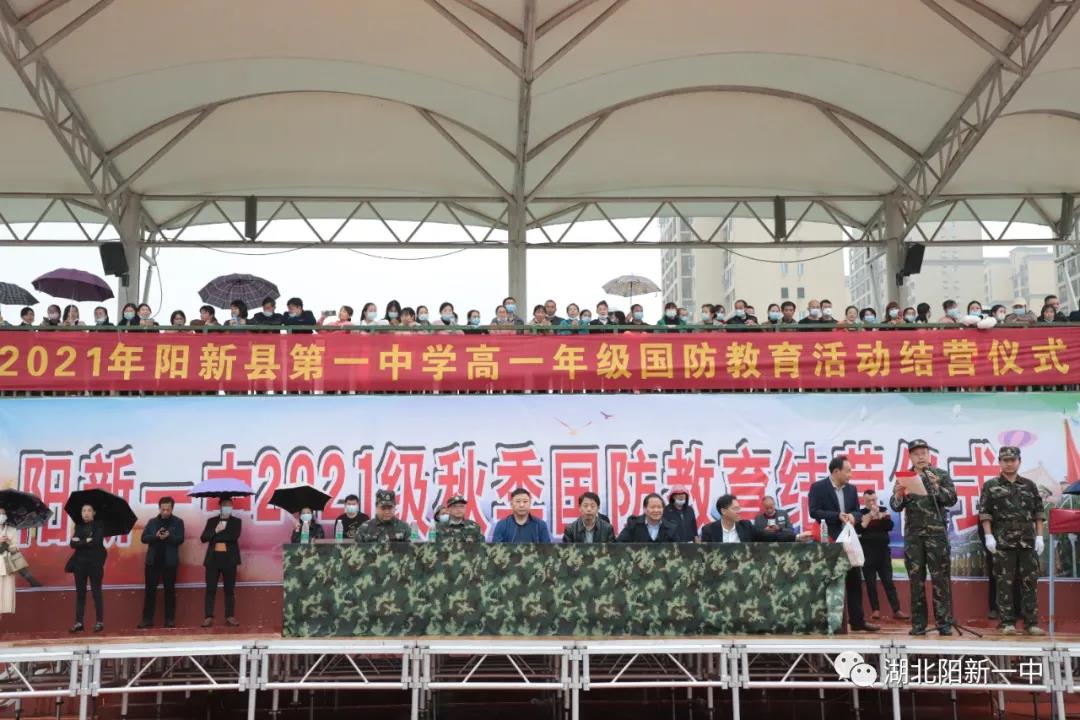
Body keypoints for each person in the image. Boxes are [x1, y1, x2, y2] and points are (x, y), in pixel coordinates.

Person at [889, 439, 958, 636]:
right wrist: (899, 495)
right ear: (910, 457)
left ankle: (944, 623)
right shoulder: (905, 478)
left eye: (923, 453)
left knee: (940, 580)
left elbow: (951, 499)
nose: (920, 457)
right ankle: (919, 624)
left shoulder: (940, 475)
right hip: (914, 537)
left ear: (929, 455)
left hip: (937, 535)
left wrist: (936, 487)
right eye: (916, 454)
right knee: (916, 581)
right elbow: (895, 506)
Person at [978, 446, 1046, 635]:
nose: (1009, 464)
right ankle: (1007, 622)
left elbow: (1038, 513)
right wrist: (989, 536)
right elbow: (985, 513)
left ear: (1019, 462)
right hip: (1003, 542)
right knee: (1004, 583)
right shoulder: (991, 486)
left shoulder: (1029, 485)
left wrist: (1040, 536)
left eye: (1012, 460)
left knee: (1029, 583)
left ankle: (1031, 623)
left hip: (1027, 542)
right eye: (1005, 460)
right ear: (999, 462)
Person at [808, 456, 879, 632]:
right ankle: (829, 622)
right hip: (829, 540)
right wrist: (837, 515)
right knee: (830, 581)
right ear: (836, 471)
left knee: (854, 580)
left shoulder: (851, 489)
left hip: (848, 540)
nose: (850, 474)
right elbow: (814, 511)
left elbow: (856, 510)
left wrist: (853, 516)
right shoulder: (818, 487)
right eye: (848, 471)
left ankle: (857, 621)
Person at [858, 489, 906, 621]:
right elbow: (859, 529)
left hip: (883, 552)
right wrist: (869, 517)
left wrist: (880, 516)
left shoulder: (884, 510)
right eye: (869, 501)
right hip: (867, 552)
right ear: (864, 501)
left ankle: (896, 610)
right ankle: (875, 610)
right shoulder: (860, 513)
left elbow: (889, 526)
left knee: (888, 581)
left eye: (874, 500)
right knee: (870, 582)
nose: (872, 503)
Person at [138, 497, 185, 629]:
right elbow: (143, 538)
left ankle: (169, 619)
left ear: (172, 509)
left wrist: (169, 536)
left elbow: (180, 539)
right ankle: (147, 620)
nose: (165, 512)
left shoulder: (178, 522)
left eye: (167, 509)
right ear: (159, 508)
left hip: (169, 562)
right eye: (163, 509)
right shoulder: (152, 522)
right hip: (153, 562)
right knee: (150, 591)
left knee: (169, 591)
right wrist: (156, 536)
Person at [200, 499, 241, 627]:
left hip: (229, 560)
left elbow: (233, 537)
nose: (227, 507)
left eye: (229, 505)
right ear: (220, 506)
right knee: (210, 589)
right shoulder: (212, 521)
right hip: (213, 560)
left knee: (229, 589)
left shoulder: (236, 522)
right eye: (224, 505)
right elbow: (203, 538)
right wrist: (215, 531)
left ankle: (230, 616)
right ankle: (208, 616)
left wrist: (216, 537)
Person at [67, 503, 106, 632]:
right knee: (80, 593)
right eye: (84, 511)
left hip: (95, 564)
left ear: (94, 513)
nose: (86, 513)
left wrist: (80, 542)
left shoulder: (99, 525)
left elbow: (95, 542)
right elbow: (72, 544)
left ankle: (99, 622)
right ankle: (79, 623)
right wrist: (86, 541)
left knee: (96, 592)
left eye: (89, 510)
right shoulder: (78, 526)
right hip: (79, 564)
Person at [701, 494, 798, 543]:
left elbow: (772, 536)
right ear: (723, 511)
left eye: (739, 508)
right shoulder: (709, 530)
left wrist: (796, 537)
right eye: (735, 509)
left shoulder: (746, 526)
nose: (739, 511)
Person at [0, 504, 40, 614]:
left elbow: (14, 550)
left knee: (4, 602)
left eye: (3, 513)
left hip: (8, 567)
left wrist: (9, 543)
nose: (1, 516)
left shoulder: (11, 530)